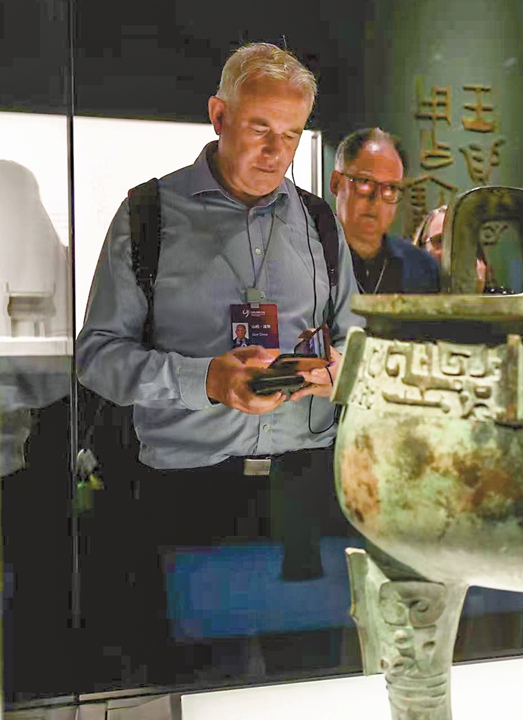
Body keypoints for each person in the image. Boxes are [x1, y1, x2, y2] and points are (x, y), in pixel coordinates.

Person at [75, 42, 361, 684]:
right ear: (218, 115)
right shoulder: (148, 216)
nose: (276, 152)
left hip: (304, 488)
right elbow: (97, 356)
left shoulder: (318, 221)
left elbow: (359, 334)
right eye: (260, 128)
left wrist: (344, 366)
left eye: (291, 135)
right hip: (187, 493)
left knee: (310, 677)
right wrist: (203, 379)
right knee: (198, 682)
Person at [331, 127, 439, 294]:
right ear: (336, 183)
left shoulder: (423, 269)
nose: (376, 200)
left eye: (390, 188)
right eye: (365, 182)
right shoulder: (302, 260)